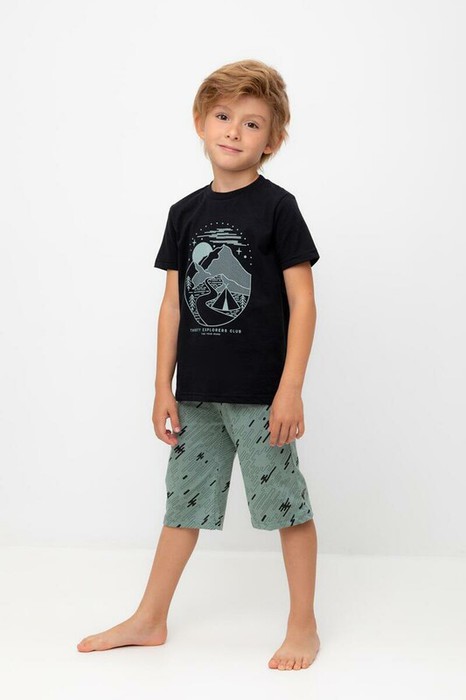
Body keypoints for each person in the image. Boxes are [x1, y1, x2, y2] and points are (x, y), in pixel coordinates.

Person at [77, 59, 321, 671]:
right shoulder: (184, 213)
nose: (234, 131)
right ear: (200, 122)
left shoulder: (278, 208)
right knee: (182, 505)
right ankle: (150, 618)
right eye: (223, 116)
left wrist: (290, 388)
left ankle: (303, 624)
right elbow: (172, 305)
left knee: (286, 506)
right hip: (198, 395)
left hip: (262, 396)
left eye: (252, 123)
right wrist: (162, 386)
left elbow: (303, 302)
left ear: (272, 141)